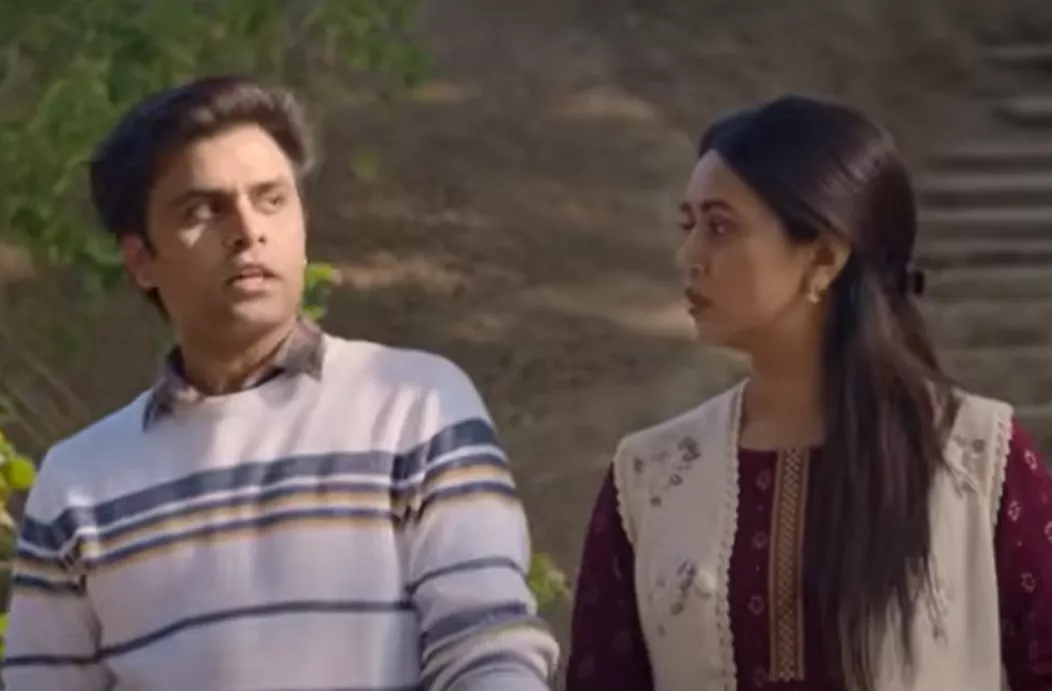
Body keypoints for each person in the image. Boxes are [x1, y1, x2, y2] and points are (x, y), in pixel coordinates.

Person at [2, 75, 558, 691]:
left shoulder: (414, 405)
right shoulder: (78, 482)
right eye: (203, 210)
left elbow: (487, 649)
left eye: (271, 199)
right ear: (142, 261)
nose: (248, 231)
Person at [566, 95, 1052, 691]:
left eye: (720, 227)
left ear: (822, 256)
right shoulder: (650, 478)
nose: (688, 256)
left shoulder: (975, 457)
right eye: (688, 225)